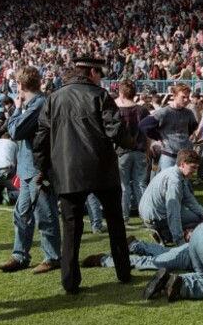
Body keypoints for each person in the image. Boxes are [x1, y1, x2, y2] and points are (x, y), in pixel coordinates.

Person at [33, 56, 136, 294]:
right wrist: (132, 143)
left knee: (71, 228)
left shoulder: (53, 99)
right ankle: (123, 271)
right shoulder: (99, 96)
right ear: (91, 72)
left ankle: (70, 281)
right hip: (101, 170)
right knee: (115, 223)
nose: (100, 77)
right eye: (99, 73)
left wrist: (42, 167)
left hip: (68, 172)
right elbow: (116, 129)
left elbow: (41, 137)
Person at [0, 66, 61, 274]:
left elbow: (15, 131)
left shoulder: (39, 104)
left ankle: (52, 257)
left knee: (45, 213)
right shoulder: (35, 104)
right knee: (21, 214)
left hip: (39, 170)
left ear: (21, 86)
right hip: (28, 169)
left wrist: (16, 109)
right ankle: (20, 255)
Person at [139, 149, 203, 246]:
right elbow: (173, 213)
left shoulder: (176, 173)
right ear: (182, 164)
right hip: (154, 219)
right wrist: (180, 242)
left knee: (200, 216)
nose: (195, 171)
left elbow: (189, 199)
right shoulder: (174, 181)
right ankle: (166, 234)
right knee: (196, 219)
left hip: (150, 215)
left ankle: (165, 233)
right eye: (193, 167)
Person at [139, 83, 198, 172]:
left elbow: (193, 127)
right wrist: (159, 137)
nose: (186, 100)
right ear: (174, 95)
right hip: (169, 155)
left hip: (184, 156)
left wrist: (189, 138)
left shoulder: (189, 113)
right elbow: (143, 125)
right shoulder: (164, 112)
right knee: (165, 181)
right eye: (183, 97)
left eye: (187, 97)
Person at [115, 80, 150, 225]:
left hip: (122, 152)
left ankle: (124, 217)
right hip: (139, 150)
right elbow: (148, 133)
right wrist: (147, 150)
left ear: (121, 93)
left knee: (124, 187)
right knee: (140, 184)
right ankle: (145, 215)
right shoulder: (143, 111)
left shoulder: (117, 112)